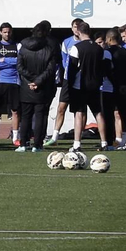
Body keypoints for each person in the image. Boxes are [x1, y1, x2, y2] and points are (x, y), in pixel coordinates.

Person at [15, 20, 60, 152]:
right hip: (43, 86)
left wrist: (32, 80)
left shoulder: (23, 48)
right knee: (41, 115)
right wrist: (38, 81)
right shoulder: (50, 48)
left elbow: (19, 67)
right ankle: (37, 145)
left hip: (26, 85)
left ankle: (23, 143)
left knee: (26, 116)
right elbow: (51, 69)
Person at [64, 21, 107, 153]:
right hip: (95, 85)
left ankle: (77, 144)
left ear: (79, 32)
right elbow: (103, 67)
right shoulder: (99, 48)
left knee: (79, 114)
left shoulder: (76, 48)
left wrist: (69, 84)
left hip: (80, 85)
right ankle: (104, 142)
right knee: (98, 114)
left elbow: (71, 69)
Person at [0, 22, 21, 146]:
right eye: (5, 32)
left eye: (9, 32)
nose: (7, 34)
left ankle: (15, 138)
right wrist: (11, 61)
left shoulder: (17, 46)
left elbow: (20, 61)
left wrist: (6, 59)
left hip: (14, 82)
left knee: (15, 111)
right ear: (0, 33)